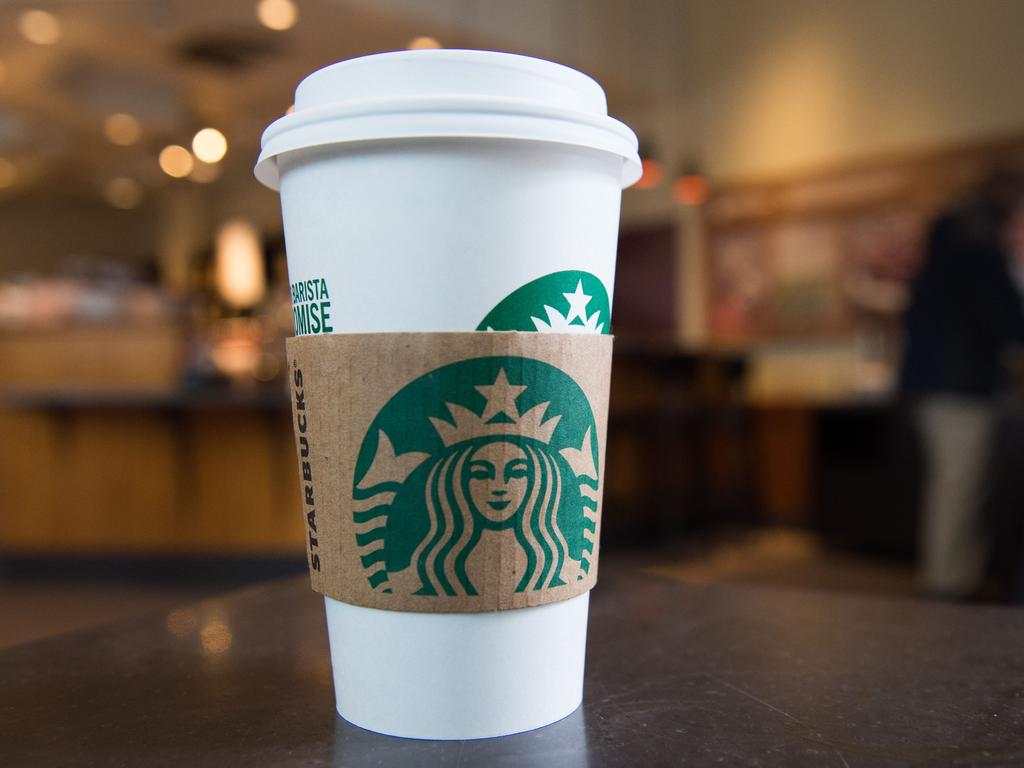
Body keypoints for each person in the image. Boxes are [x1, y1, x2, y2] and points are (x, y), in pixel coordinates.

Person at [900, 171, 1024, 599]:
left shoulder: (946, 248)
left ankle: (954, 583)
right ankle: (947, 590)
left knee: (956, 488)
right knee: (957, 491)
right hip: (959, 389)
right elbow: (1010, 325)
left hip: (935, 388)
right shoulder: (980, 257)